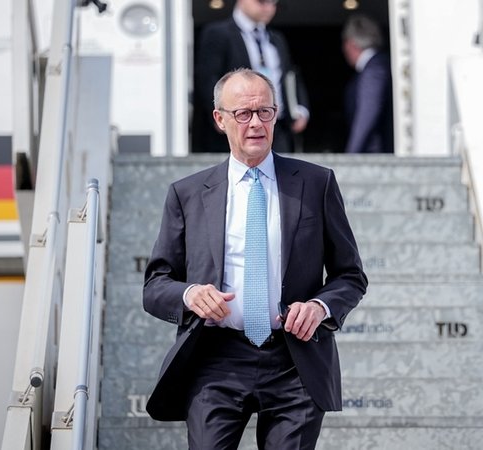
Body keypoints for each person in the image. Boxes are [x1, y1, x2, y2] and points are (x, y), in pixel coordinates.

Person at [143, 69, 367, 449]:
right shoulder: (187, 194)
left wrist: (319, 307)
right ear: (220, 119)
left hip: (295, 360)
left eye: (264, 112)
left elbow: (350, 275)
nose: (256, 124)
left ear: (276, 114)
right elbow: (155, 285)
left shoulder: (316, 183)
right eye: (243, 114)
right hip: (215, 359)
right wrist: (191, 294)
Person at [194, 0, 309, 153]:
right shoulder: (218, 33)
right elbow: (208, 78)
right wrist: (220, 115)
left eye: (273, 3)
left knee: (280, 173)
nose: (269, 8)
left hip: (276, 126)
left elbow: (289, 77)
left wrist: (299, 109)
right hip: (237, 125)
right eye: (262, 2)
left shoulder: (276, 39)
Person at [342, 14, 395, 154]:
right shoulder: (380, 65)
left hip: (375, 156)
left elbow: (367, 115)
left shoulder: (374, 70)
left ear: (350, 44)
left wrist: (351, 156)